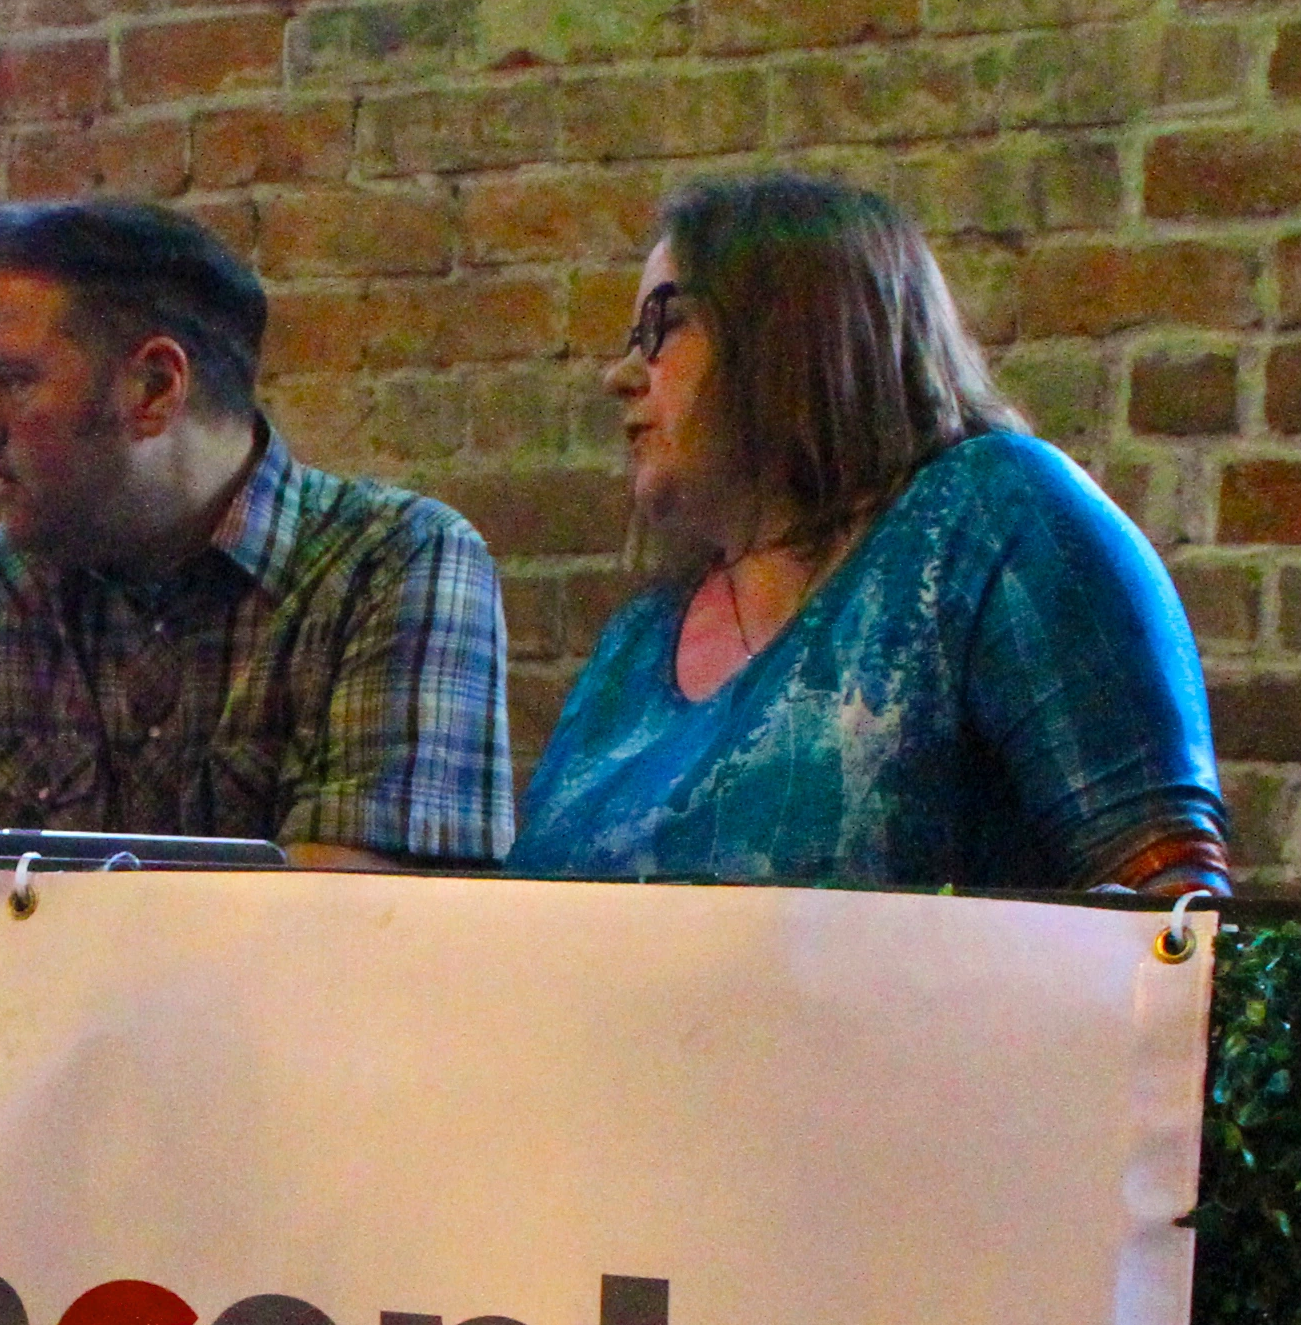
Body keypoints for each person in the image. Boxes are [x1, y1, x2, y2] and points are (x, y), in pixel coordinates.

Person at [510, 174, 1228, 897]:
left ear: (795, 327)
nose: (620, 375)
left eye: (664, 324)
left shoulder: (987, 520)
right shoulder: (636, 643)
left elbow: (1174, 932)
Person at [0, 189, 512, 869]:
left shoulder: (392, 565)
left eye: (12, 380)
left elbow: (341, 946)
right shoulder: (14, 578)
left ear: (156, 388)